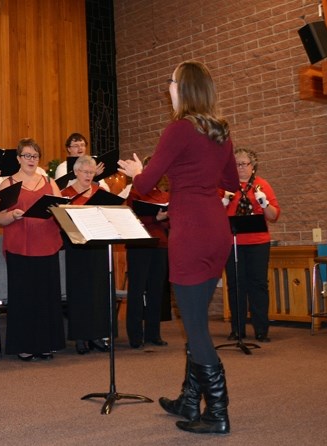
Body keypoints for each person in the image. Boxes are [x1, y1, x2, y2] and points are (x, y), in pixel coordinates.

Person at [118, 61, 239, 435]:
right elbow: (231, 180)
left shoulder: (178, 129)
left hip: (190, 233)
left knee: (196, 328)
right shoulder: (220, 132)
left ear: (183, 89)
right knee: (197, 318)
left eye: (171, 81)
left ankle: (217, 411)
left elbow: (145, 184)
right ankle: (190, 398)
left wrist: (138, 170)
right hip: (216, 230)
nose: (167, 85)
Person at [0, 138, 66, 361]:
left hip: (47, 244)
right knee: (23, 297)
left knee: (47, 296)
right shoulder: (8, 184)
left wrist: (58, 210)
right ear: (18, 158)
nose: (31, 160)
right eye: (26, 155)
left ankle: (46, 344)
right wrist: (12, 216)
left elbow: (62, 210)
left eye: (35, 156)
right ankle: (24, 345)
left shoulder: (49, 181)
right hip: (20, 246)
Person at [222, 148, 280, 343]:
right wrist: (221, 203)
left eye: (243, 164)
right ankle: (237, 330)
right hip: (233, 243)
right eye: (235, 164)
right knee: (235, 285)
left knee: (258, 285)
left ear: (252, 166)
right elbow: (213, 217)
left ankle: (261, 329)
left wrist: (264, 204)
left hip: (258, 243)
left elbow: (273, 216)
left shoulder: (262, 185)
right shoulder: (226, 186)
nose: (239, 168)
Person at [59, 156, 110, 354]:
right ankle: (80, 337)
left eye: (91, 173)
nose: (88, 176)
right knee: (79, 291)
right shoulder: (66, 194)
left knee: (98, 291)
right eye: (85, 172)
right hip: (77, 246)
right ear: (76, 172)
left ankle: (97, 335)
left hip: (98, 245)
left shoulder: (101, 191)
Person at [124, 156, 170, 349]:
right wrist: (154, 217)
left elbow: (170, 222)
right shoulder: (135, 192)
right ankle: (135, 335)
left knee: (156, 290)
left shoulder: (164, 195)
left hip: (160, 244)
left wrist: (163, 218)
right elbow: (129, 217)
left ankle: (153, 334)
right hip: (139, 244)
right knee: (136, 289)